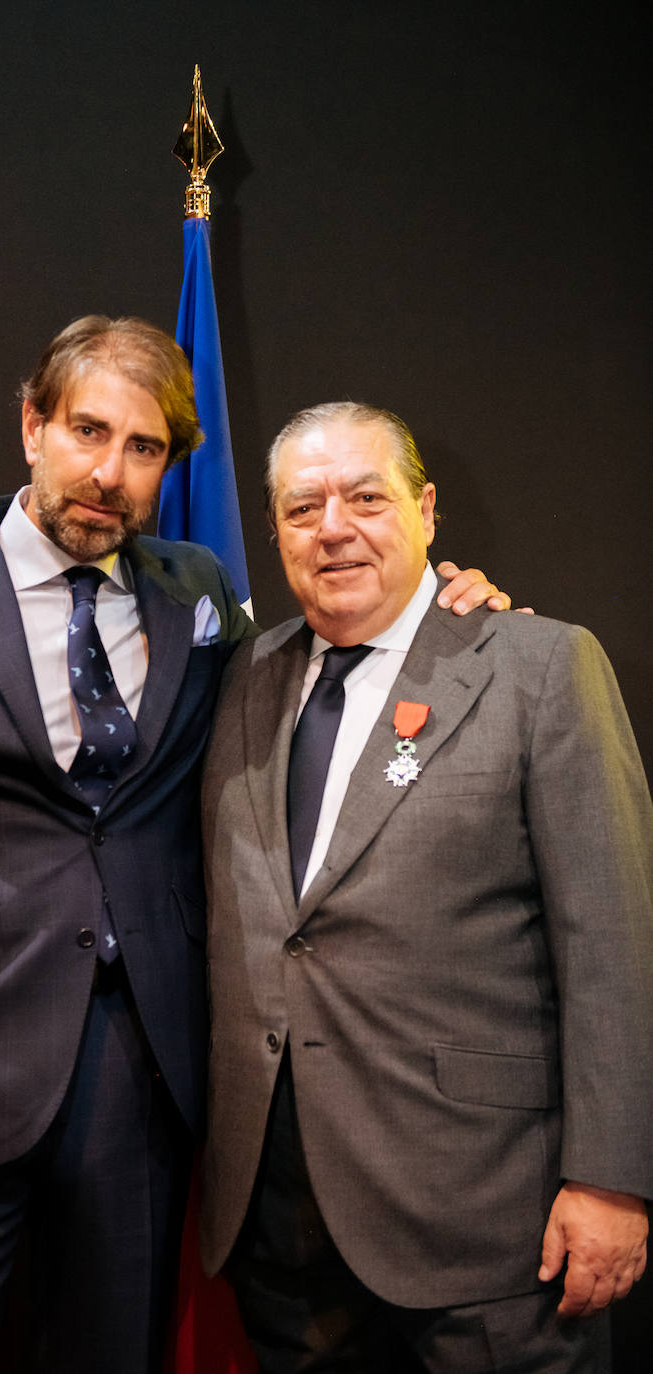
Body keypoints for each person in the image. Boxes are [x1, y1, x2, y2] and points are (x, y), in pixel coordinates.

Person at [0, 321, 505, 1374]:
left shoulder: (197, 595)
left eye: (144, 448)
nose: (109, 473)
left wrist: (440, 607)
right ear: (33, 426)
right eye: (87, 431)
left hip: (144, 1092)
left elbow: (329, 656)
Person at [199, 401, 652, 1373]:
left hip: (487, 1227)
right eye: (301, 507)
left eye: (365, 498)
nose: (333, 528)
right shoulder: (242, 678)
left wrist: (612, 1182)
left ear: (426, 509)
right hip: (281, 1229)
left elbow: (611, 943)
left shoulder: (537, 666)